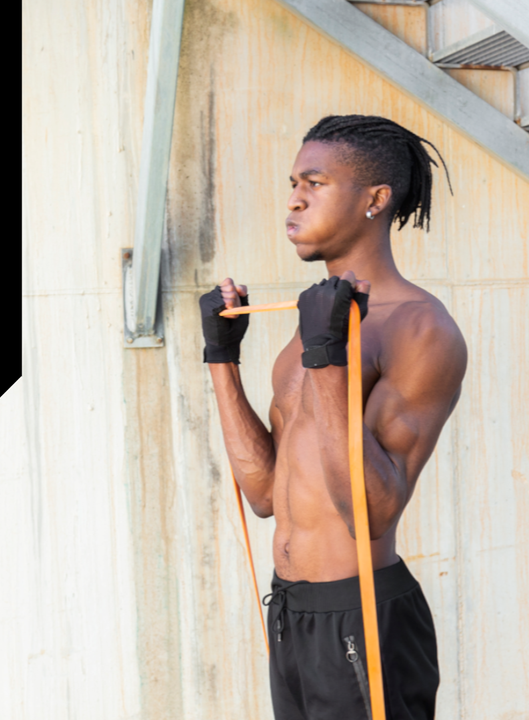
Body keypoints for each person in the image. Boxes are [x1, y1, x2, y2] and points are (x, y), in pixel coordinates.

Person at [199, 114, 468, 719]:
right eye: (293, 182)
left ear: (375, 199)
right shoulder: (310, 329)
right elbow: (266, 495)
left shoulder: (420, 327)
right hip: (292, 610)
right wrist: (221, 359)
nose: (293, 200)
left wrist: (327, 359)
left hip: (361, 610)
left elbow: (371, 511)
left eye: (314, 183)